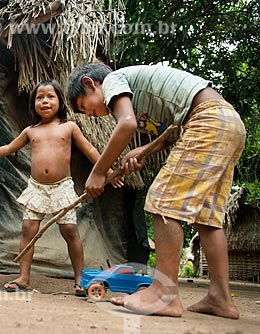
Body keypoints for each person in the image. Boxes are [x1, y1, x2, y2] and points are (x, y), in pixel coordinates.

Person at [67, 63, 244, 319]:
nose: (93, 116)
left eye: (86, 107)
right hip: (227, 123)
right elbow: (173, 132)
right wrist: (145, 150)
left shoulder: (114, 80)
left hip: (207, 120)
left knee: (161, 201)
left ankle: (163, 294)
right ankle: (220, 298)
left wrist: (98, 172)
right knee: (207, 218)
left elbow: (126, 125)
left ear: (89, 83)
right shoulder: (136, 97)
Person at [0, 80, 122, 295]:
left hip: (62, 188)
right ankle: (24, 277)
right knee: (28, 231)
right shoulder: (31, 131)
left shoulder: (68, 127)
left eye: (51, 96)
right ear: (33, 104)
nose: (45, 101)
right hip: (37, 188)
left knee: (70, 231)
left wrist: (109, 172)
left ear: (60, 101)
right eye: (40, 98)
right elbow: (9, 147)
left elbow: (90, 149)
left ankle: (79, 279)